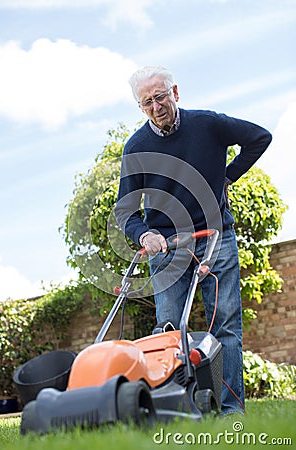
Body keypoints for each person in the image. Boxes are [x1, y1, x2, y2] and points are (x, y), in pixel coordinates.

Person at [114, 66, 272, 414]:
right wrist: (145, 233)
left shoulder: (208, 124)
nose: (156, 107)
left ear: (175, 92)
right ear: (140, 107)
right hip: (168, 249)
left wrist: (227, 176)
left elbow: (259, 137)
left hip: (216, 238)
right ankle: (177, 410)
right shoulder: (137, 147)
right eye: (146, 102)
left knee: (226, 326)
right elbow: (125, 210)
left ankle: (231, 410)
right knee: (168, 330)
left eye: (160, 97)